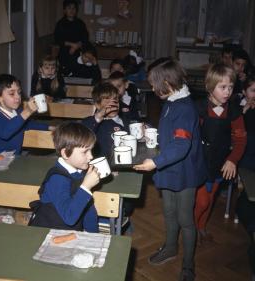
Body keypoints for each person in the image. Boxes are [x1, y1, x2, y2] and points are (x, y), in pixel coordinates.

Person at [133, 59, 206, 281]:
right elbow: (172, 135)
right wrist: (151, 132)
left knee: (185, 219)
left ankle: (188, 265)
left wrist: (154, 162)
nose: (153, 90)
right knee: (168, 211)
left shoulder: (184, 108)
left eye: (155, 85)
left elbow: (181, 145)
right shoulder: (171, 102)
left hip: (184, 173)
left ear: (167, 81)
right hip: (169, 168)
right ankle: (171, 247)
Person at [194, 63, 247, 244]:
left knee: (210, 199)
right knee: (201, 201)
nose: (227, 92)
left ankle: (201, 227)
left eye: (230, 87)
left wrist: (232, 160)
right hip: (200, 163)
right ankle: (191, 229)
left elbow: (240, 140)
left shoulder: (233, 112)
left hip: (220, 164)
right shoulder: (199, 108)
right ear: (210, 86)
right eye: (222, 87)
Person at [28, 122, 100, 232]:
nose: (91, 156)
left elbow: (88, 208)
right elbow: (69, 217)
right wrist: (86, 187)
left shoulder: (80, 172)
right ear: (66, 153)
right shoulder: (57, 179)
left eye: (91, 150)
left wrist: (94, 235)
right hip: (47, 233)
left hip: (69, 233)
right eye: (85, 152)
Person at [0, 74, 54, 155]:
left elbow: (28, 124)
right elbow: (4, 132)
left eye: (19, 92)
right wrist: (27, 112)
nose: (18, 97)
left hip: (14, 157)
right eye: (12, 94)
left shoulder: (17, 112)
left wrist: (49, 127)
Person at [82, 82, 128, 157]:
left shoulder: (125, 118)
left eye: (115, 99)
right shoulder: (96, 123)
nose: (113, 103)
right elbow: (82, 132)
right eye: (107, 101)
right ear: (97, 105)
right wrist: (99, 115)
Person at [54, 0, 89, 75]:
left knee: (80, 71)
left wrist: (77, 46)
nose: (72, 10)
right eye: (69, 8)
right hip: (65, 52)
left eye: (74, 8)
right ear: (64, 10)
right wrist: (72, 45)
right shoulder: (60, 24)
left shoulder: (80, 23)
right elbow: (58, 39)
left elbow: (85, 38)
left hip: (79, 52)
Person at [238, 74, 255, 170]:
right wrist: (244, 110)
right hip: (244, 144)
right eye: (253, 91)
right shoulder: (239, 105)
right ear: (244, 92)